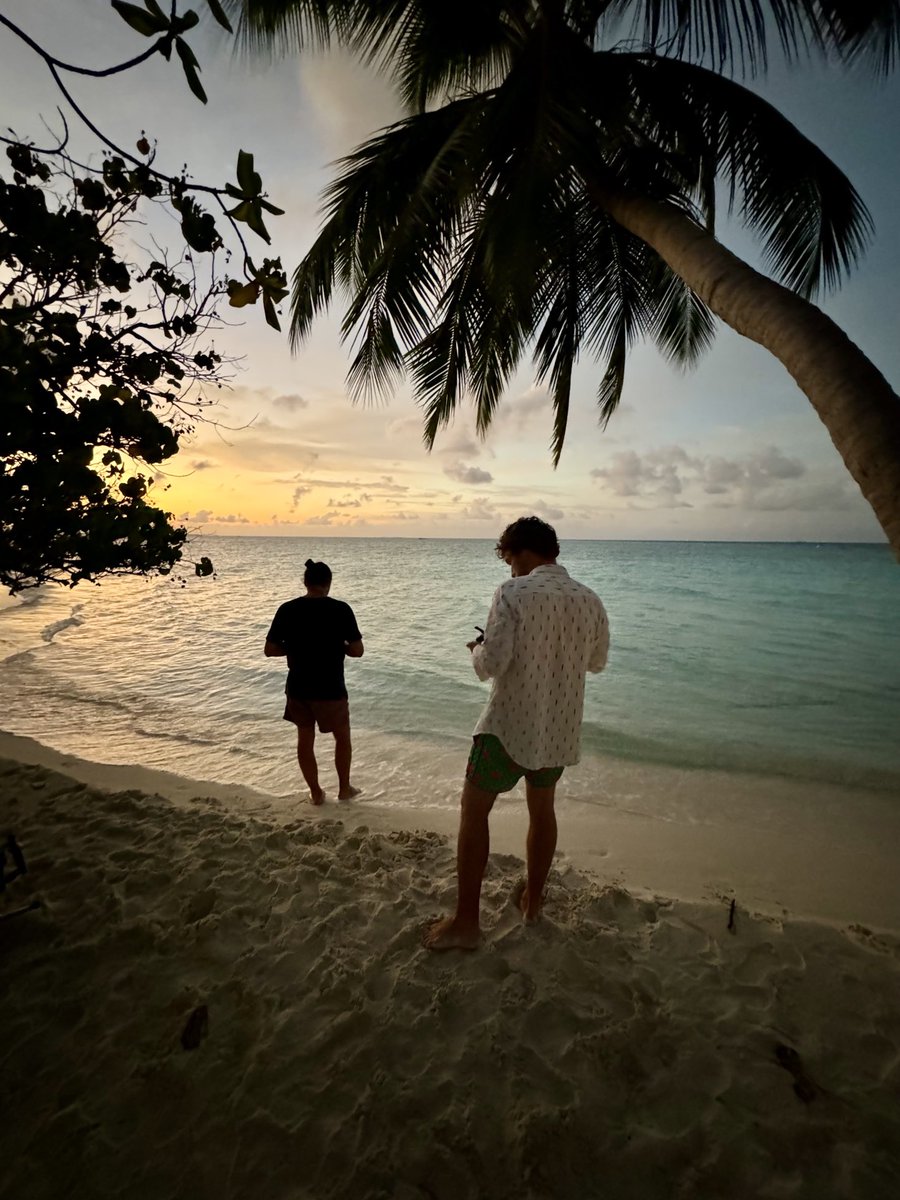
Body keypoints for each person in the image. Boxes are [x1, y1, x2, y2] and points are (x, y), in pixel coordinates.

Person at [423, 516, 609, 951]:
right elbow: (596, 663)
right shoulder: (590, 599)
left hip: (506, 728)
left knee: (474, 811)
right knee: (542, 812)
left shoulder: (512, 592)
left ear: (521, 553)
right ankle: (532, 903)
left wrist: (477, 650)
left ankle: (468, 921)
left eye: (508, 560)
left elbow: (493, 665)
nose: (508, 570)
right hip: (559, 730)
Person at [264, 558, 364, 805]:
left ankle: (316, 793)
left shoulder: (287, 609)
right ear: (328, 583)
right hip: (330, 687)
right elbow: (357, 650)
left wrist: (295, 648)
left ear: (305, 582)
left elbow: (270, 649)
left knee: (305, 739)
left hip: (298, 687)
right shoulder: (341, 609)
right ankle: (344, 789)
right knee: (342, 737)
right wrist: (339, 645)